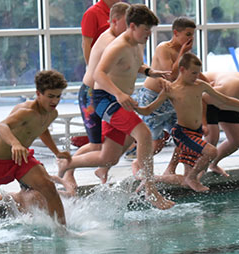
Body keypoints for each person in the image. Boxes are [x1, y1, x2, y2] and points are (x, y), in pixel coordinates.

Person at [58, 4, 174, 210]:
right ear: (132, 25)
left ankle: (68, 164)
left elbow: (131, 64)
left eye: (150, 30)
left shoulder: (136, 43)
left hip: (118, 98)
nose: (149, 34)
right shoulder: (116, 45)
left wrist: (151, 72)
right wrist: (119, 94)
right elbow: (98, 75)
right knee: (144, 135)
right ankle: (151, 191)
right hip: (105, 98)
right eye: (146, 29)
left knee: (108, 156)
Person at [150, 54, 239, 192]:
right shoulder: (177, 89)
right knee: (210, 144)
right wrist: (204, 122)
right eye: (194, 73)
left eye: (198, 73)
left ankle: (154, 178)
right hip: (195, 118)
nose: (197, 76)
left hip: (203, 122)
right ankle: (186, 174)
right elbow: (151, 110)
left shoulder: (201, 86)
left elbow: (227, 101)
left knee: (236, 140)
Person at [0, 70, 69, 225]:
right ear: (38, 93)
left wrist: (57, 152)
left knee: (49, 187)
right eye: (50, 96)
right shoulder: (26, 111)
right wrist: (15, 143)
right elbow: (1, 127)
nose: (54, 101)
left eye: (58, 96)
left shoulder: (52, 114)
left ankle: (63, 231)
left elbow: (42, 129)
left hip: (20, 158)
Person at [70, 1, 129, 192]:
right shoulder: (93, 13)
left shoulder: (124, 10)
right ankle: (68, 170)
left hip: (108, 89)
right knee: (97, 145)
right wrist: (93, 68)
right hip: (92, 91)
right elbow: (86, 43)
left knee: (122, 137)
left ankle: (102, 169)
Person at [136, 17, 197, 155]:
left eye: (192, 34)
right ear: (176, 33)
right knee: (156, 142)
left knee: (184, 137)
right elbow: (169, 75)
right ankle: (138, 165)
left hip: (171, 99)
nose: (191, 38)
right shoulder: (164, 48)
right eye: (188, 34)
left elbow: (193, 73)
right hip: (152, 97)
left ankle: (171, 169)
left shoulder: (185, 52)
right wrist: (182, 53)